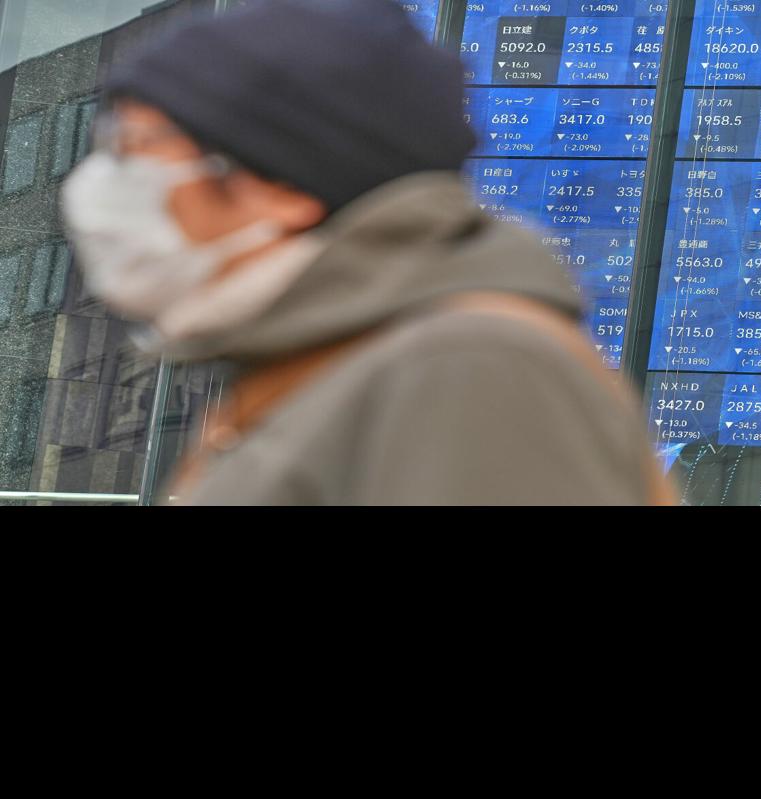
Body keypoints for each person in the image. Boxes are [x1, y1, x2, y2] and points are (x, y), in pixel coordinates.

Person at [60, 0, 673, 505]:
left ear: (281, 184)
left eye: (137, 146)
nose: (101, 185)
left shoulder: (465, 364)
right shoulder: (319, 361)